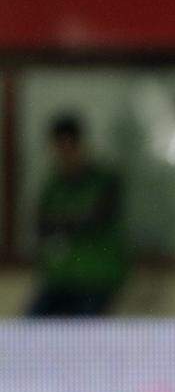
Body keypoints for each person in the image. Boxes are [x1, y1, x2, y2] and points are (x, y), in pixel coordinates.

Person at [27, 113, 127, 317]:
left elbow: (96, 217)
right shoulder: (53, 186)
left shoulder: (105, 181)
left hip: (97, 279)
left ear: (81, 145)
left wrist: (61, 222)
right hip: (59, 278)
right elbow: (40, 224)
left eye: (70, 147)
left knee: (83, 337)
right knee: (28, 333)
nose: (65, 155)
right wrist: (71, 220)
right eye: (59, 148)